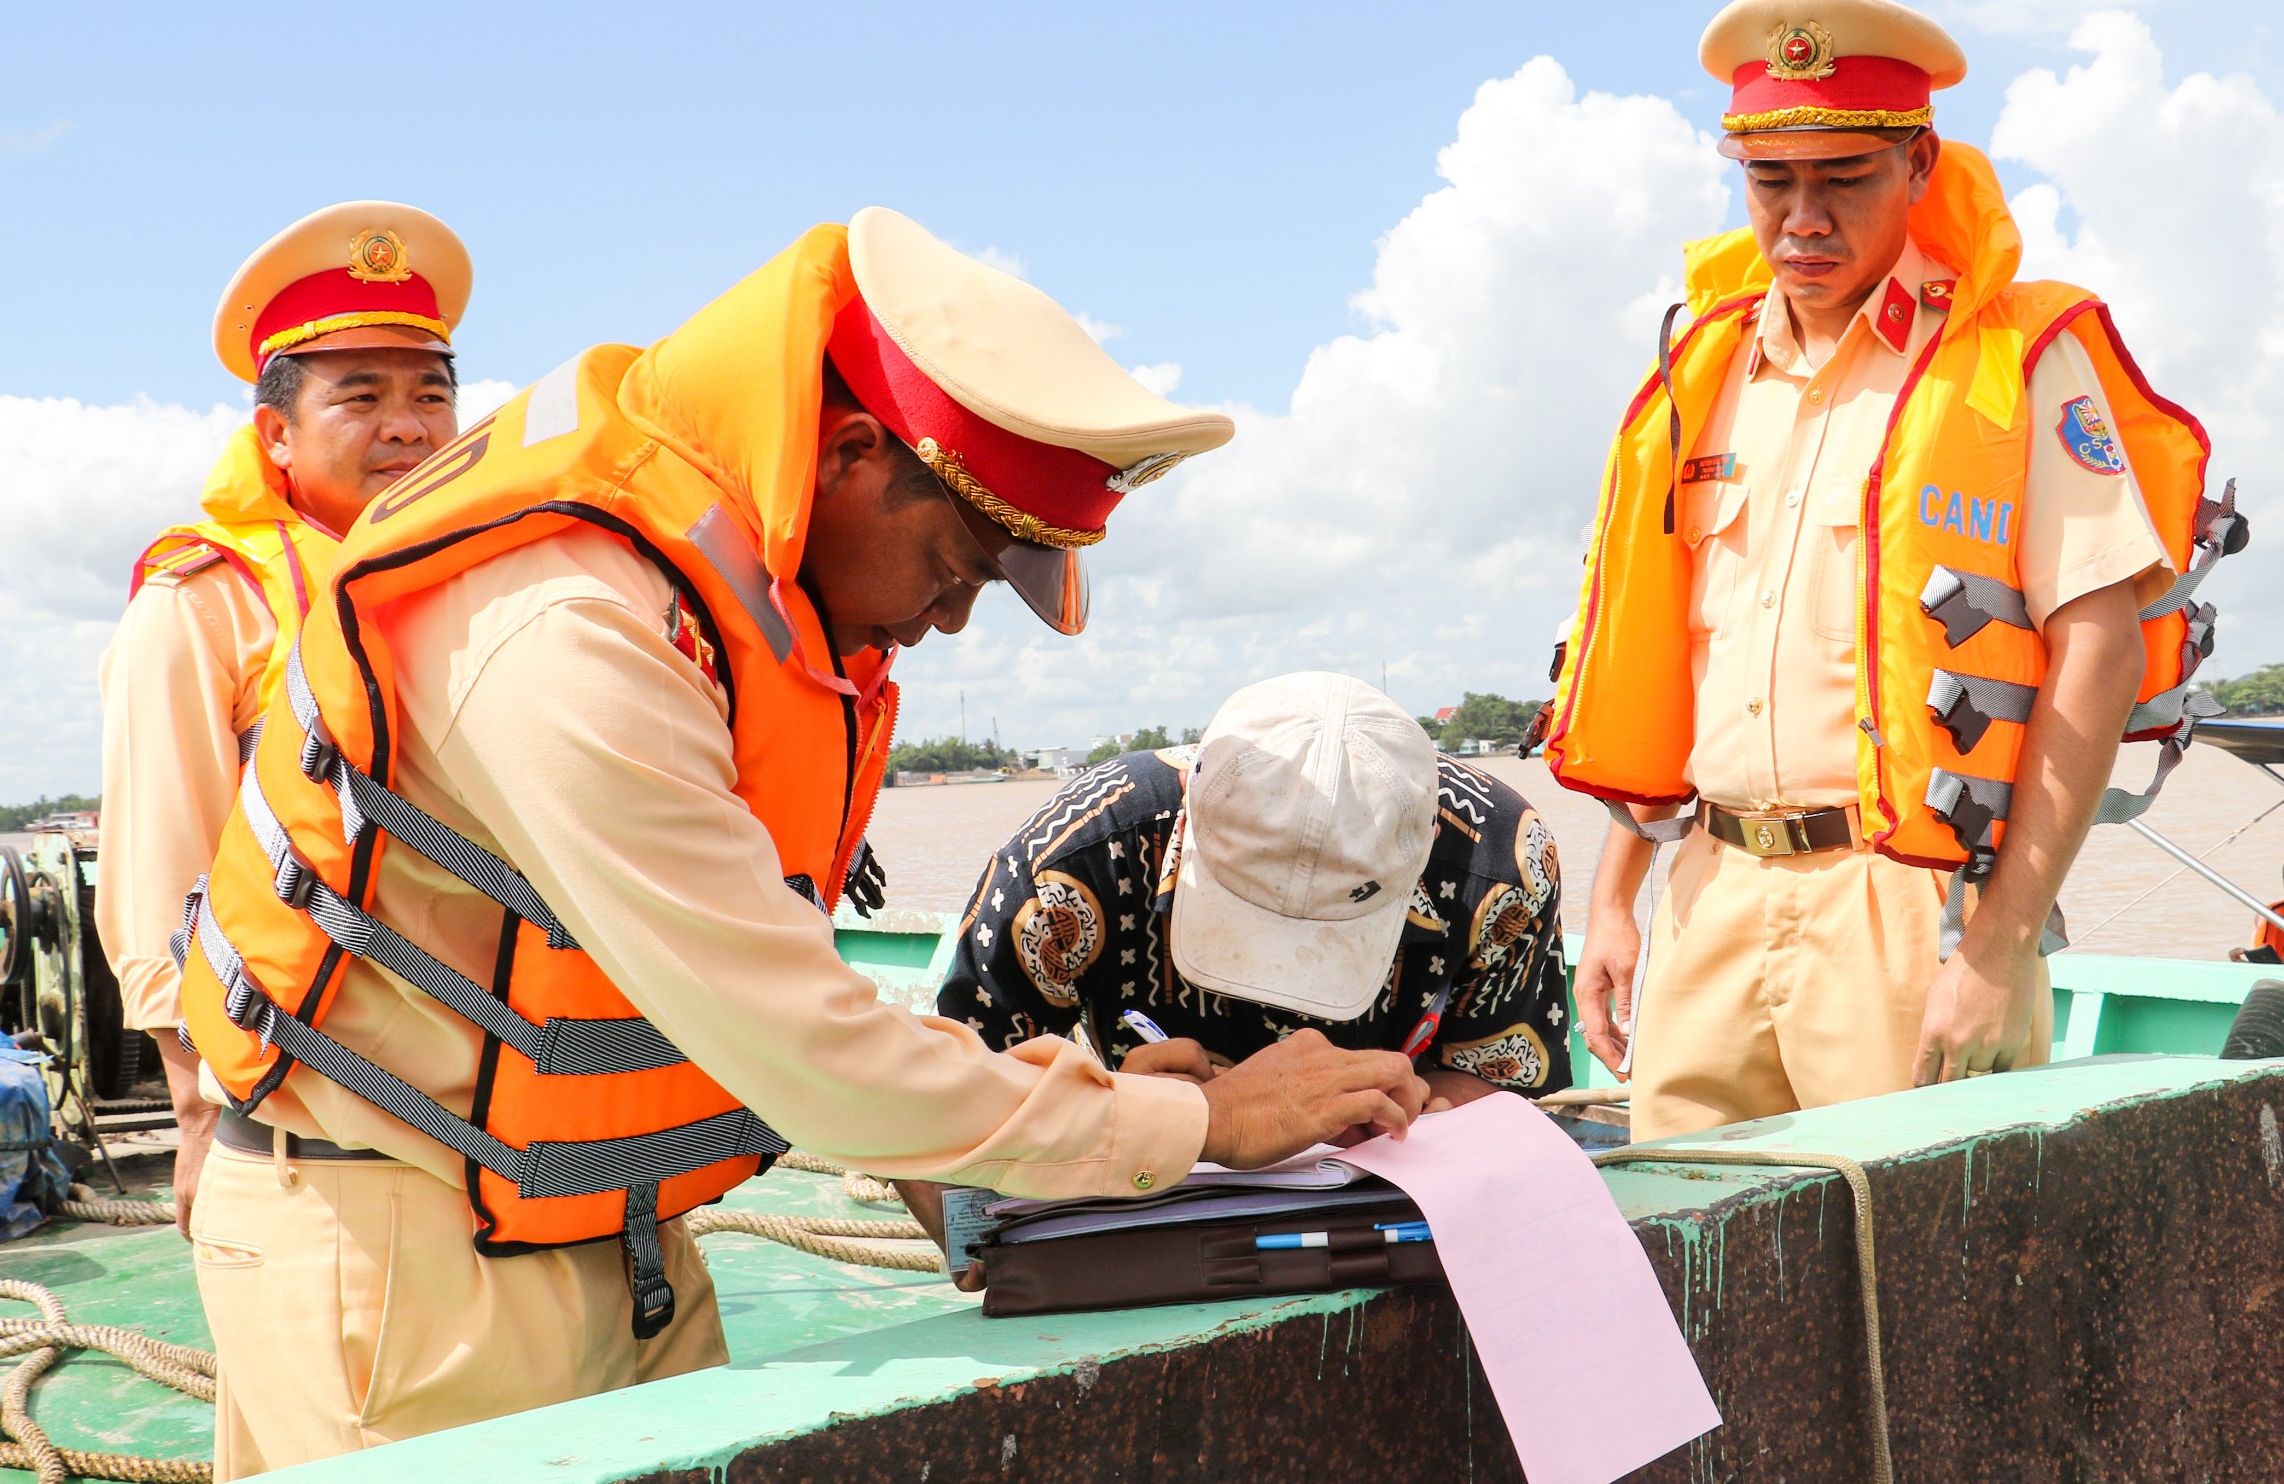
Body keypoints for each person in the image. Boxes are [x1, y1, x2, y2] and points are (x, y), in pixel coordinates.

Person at [174, 207, 1434, 1476]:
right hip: (405, 1262)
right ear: (844, 450)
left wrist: (1097, 1105)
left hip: (609, 1232)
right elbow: (802, 1047)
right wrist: (1199, 1130)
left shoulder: (715, 592)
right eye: (955, 565)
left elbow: (764, 967)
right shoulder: (567, 630)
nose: (945, 622)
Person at [1551, 0, 2234, 1140]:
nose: (1801, 219)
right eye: (1772, 182)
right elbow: (1674, 653)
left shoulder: (2012, 360)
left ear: (1918, 166)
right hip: (1710, 892)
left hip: (1911, 904)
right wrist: (1614, 902)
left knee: (1936, 1294)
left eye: (1843, 178)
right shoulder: (1703, 373)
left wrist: (2000, 942)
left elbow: (2098, 647)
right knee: (1685, 1282)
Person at [95, 203, 469, 1235]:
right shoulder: (202, 603)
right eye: (362, 397)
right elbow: (160, 886)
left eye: (431, 394)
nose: (408, 425)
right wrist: (200, 1114)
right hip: (313, 1120)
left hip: (497, 1100)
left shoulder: (484, 581)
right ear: (276, 432)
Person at [936, 672, 1570, 1105]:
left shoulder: (1503, 863)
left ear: (1429, 841)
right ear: (1190, 808)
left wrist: (1423, 1102)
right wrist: (1127, 1113)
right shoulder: (1075, 861)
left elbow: (1508, 1089)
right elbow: (956, 1092)